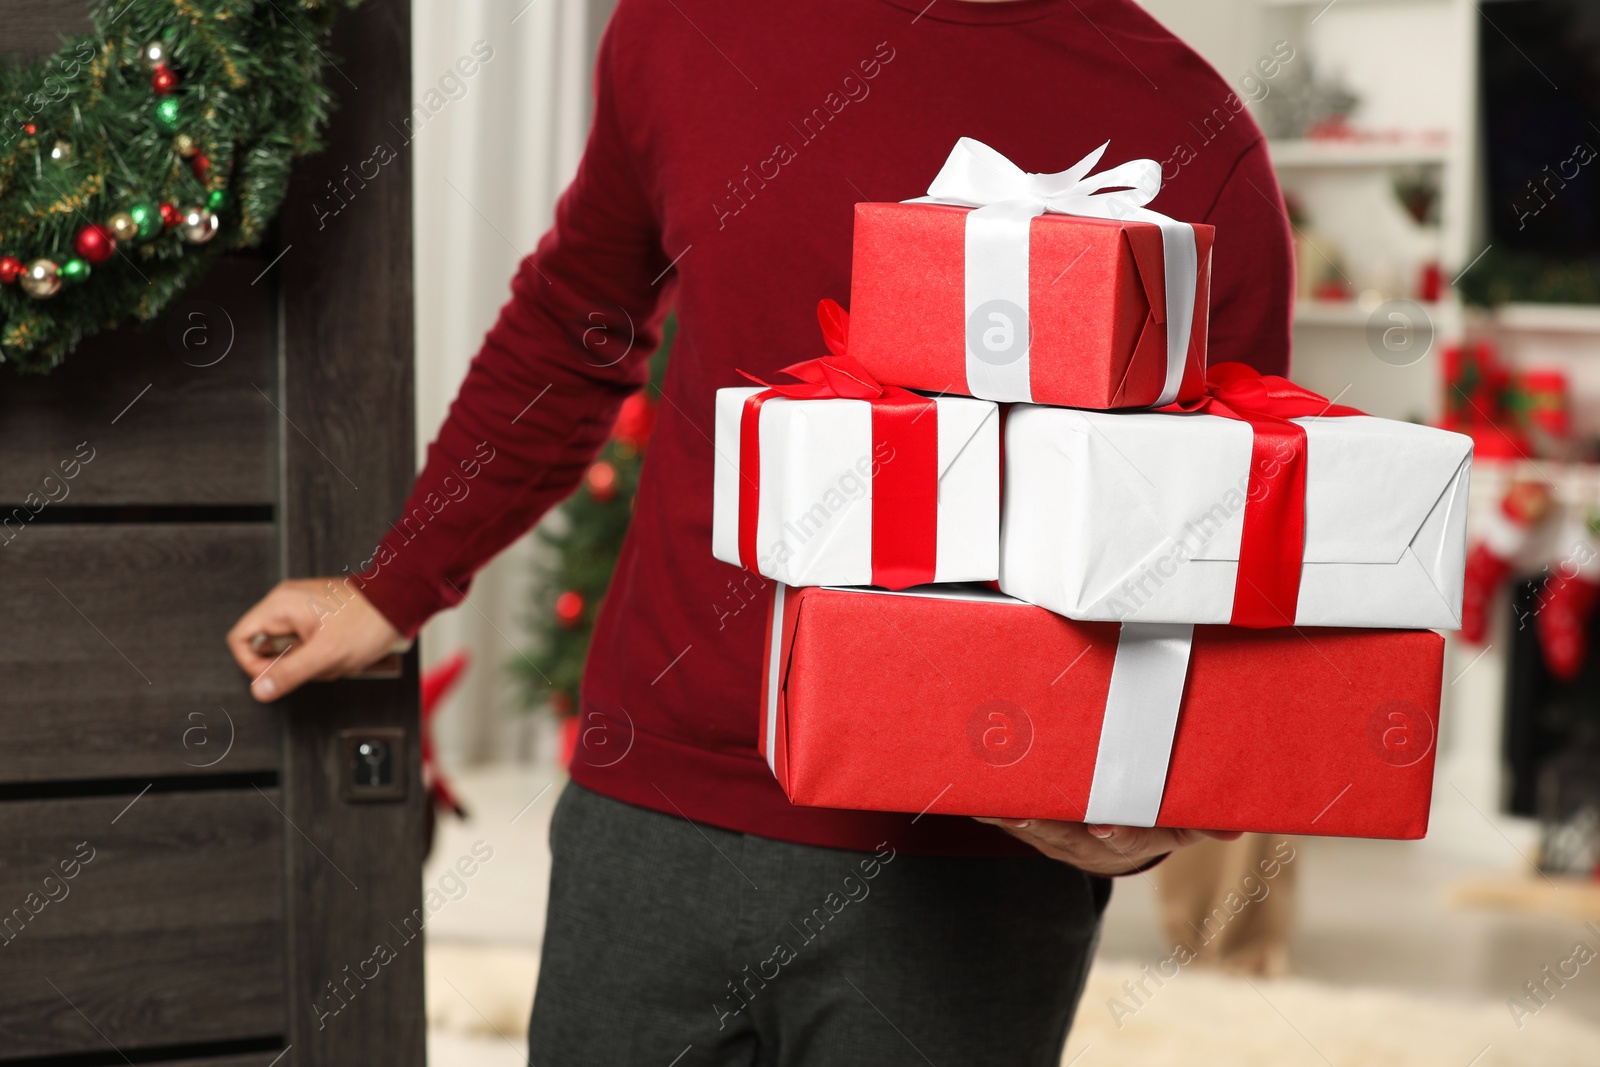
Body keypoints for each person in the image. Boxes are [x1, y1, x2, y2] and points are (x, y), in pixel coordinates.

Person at [227, 0, 1291, 1062]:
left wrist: (1135, 805)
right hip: (653, 812)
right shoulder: (686, 27)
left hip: (975, 861)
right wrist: (393, 584)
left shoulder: (1193, 135)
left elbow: (1216, 537)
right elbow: (573, 327)